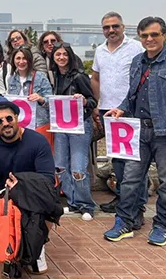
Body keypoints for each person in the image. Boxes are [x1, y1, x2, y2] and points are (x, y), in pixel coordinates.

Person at [104, 16, 166, 247]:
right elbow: (132, 95)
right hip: (139, 131)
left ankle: (162, 226)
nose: (149, 39)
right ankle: (125, 221)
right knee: (130, 180)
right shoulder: (137, 61)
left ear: (164, 35)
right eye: (145, 35)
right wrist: (122, 108)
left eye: (154, 34)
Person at [0, 96, 56, 275]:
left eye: (9, 118)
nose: (5, 123)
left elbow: (47, 178)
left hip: (33, 195)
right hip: (4, 196)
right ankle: (11, 252)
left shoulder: (38, 141)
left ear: (16, 117)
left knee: (49, 205)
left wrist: (21, 186)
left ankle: (37, 246)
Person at [90, 12, 146, 215]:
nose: (111, 30)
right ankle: (123, 197)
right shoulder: (100, 51)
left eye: (115, 26)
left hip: (130, 110)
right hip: (107, 110)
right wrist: (96, 104)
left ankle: (138, 202)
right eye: (106, 27)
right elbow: (95, 78)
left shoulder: (136, 47)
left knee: (135, 158)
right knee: (117, 158)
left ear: (123, 27)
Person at [50, 42, 97, 221]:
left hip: (79, 125)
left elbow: (92, 101)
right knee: (61, 166)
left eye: (64, 54)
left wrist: (84, 101)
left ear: (70, 56)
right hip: (61, 126)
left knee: (78, 167)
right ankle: (73, 201)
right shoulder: (55, 76)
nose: (61, 57)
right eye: (58, 54)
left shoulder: (79, 76)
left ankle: (86, 204)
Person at [7, 46, 53, 148]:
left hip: (38, 123)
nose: (21, 62)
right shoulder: (11, 79)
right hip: (19, 125)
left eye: (24, 58)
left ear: (29, 60)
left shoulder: (40, 77)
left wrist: (40, 99)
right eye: (18, 58)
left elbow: (51, 100)